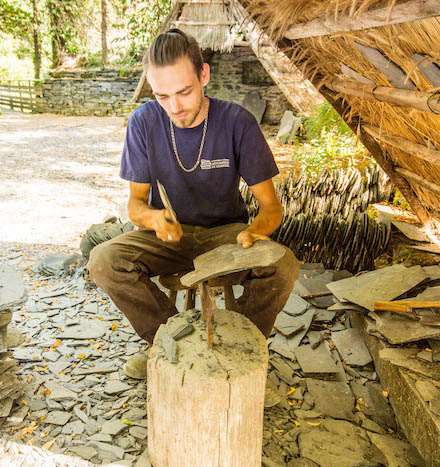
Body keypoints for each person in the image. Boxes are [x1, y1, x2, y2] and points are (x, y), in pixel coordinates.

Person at [88, 29, 300, 387]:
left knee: (283, 265)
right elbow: (135, 205)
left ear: (204, 75)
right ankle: (168, 339)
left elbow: (271, 209)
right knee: (104, 260)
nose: (174, 107)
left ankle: (241, 345)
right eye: (162, 96)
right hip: (167, 236)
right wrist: (155, 218)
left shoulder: (236, 122)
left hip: (225, 235)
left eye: (184, 92)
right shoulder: (143, 122)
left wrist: (254, 231)